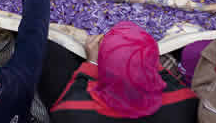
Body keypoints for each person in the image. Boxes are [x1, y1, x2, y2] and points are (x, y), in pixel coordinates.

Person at [43, 21, 199, 122]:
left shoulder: (72, 111)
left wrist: (91, 62)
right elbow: (163, 75)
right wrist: (139, 57)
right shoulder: (185, 102)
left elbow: (73, 94)